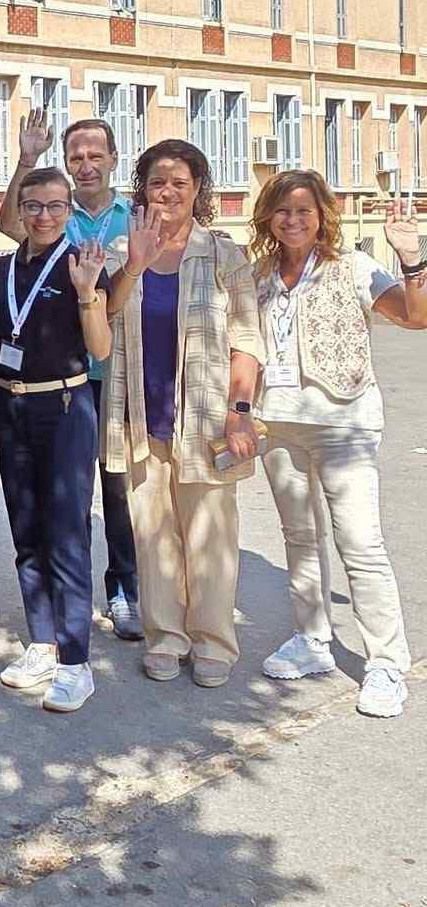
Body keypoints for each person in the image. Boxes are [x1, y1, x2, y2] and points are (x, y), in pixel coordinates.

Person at [249, 175, 427, 719]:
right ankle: (312, 639)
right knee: (300, 537)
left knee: (360, 543)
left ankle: (386, 662)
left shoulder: (353, 266)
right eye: (283, 210)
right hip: (279, 421)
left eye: (304, 210)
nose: (293, 220)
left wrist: (412, 259)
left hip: (344, 422)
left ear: (323, 215)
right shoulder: (258, 274)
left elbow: (415, 315)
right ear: (269, 217)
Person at [103, 143, 264, 687]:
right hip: (140, 418)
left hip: (205, 420)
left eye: (179, 182)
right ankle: (165, 636)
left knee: (210, 535)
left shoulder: (222, 256)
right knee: (153, 537)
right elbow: (104, 315)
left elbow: (247, 338)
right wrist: (136, 262)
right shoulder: (122, 252)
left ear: (198, 188)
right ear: (142, 190)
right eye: (157, 182)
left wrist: (240, 411)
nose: (167, 192)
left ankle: (213, 640)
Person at [0, 113, 142, 642]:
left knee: (118, 489)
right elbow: (10, 223)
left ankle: (123, 590)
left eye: (95, 155)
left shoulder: (135, 216)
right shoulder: (54, 210)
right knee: (69, 500)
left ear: (113, 159)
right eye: (76, 157)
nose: (85, 165)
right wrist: (27, 158)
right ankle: (69, 596)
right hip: (66, 380)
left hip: (120, 369)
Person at [0, 166, 111, 713]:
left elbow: (100, 349)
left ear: (68, 211)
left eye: (55, 206)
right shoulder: (0, 269)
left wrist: (87, 294)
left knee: (66, 534)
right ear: (20, 210)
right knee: (26, 529)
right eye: (33, 206)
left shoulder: (84, 263)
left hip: (64, 406)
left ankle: (77, 662)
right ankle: (43, 642)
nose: (44, 216)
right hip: (10, 405)